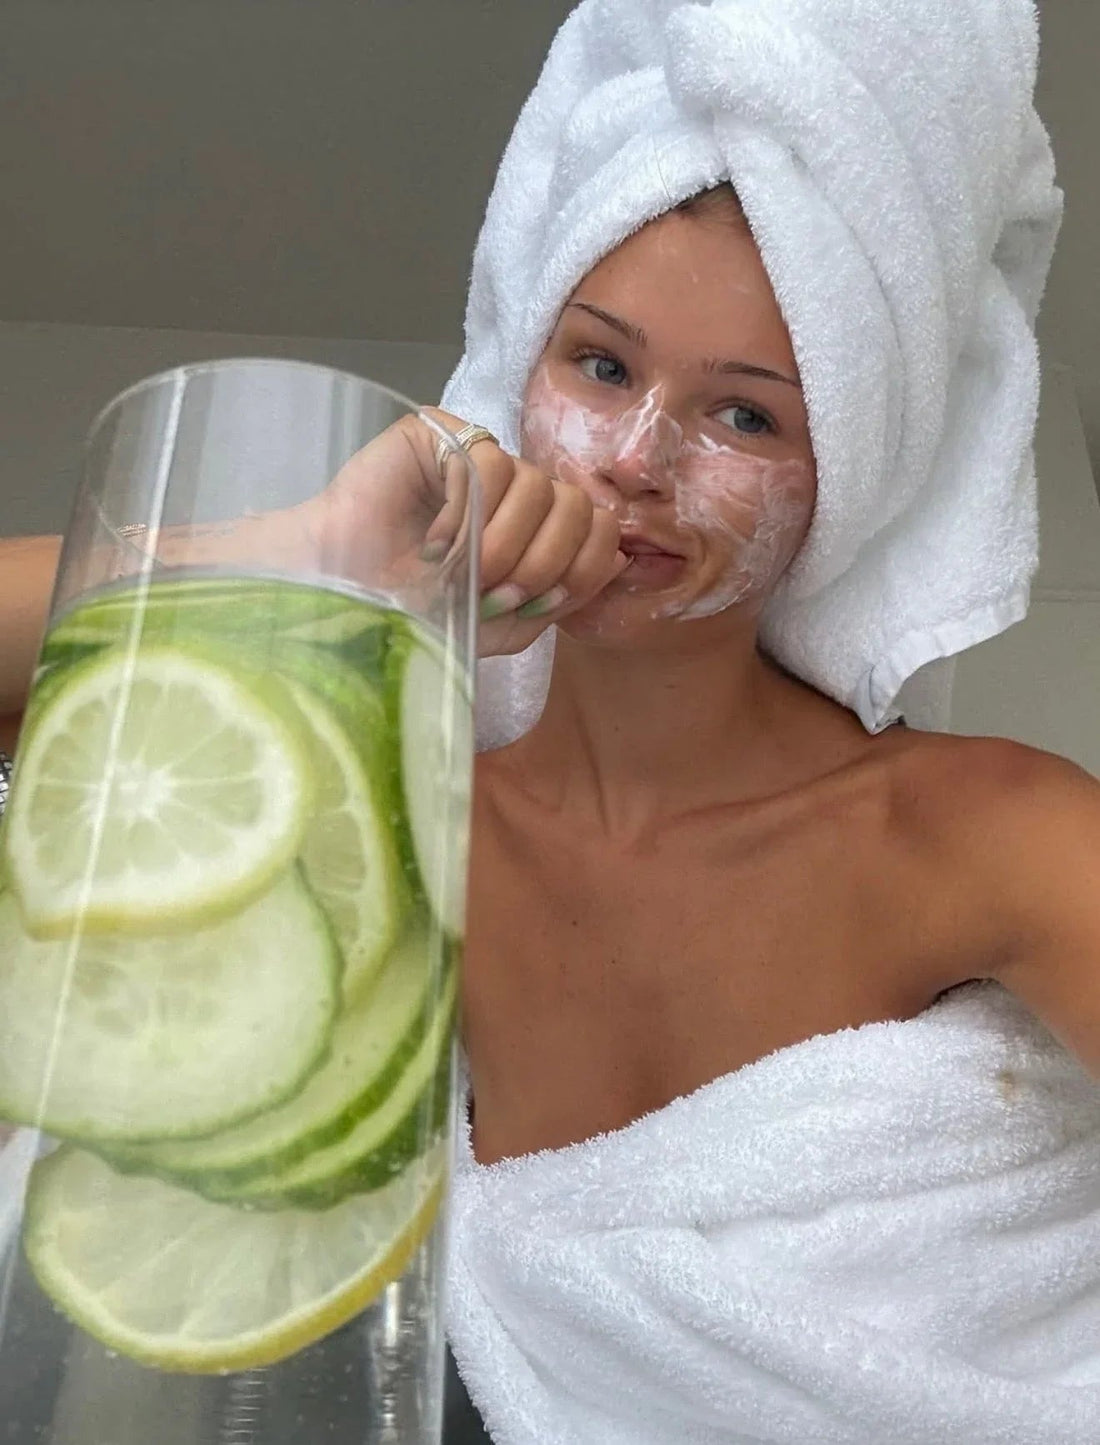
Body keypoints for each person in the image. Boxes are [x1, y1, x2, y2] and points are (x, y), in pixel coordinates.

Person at [5, 1, 1100, 1439]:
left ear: (853, 468)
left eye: (746, 417)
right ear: (522, 357)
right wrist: (325, 550)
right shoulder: (404, 806)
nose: (638, 462)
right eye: (600, 364)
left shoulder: (986, 833)